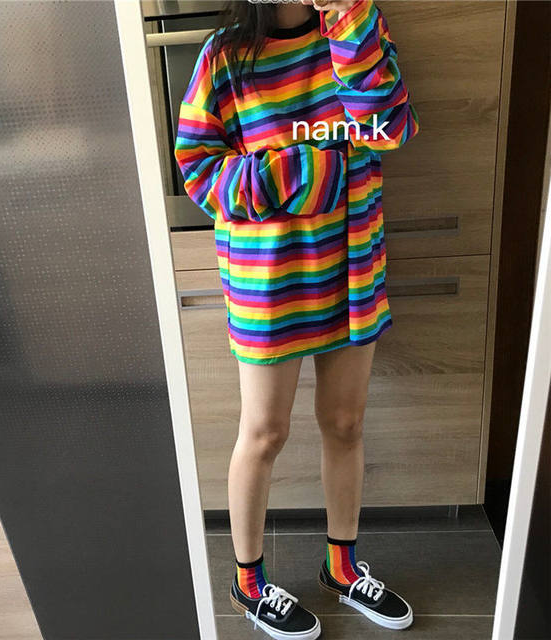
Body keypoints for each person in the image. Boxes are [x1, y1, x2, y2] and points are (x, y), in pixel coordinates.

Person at [175, 0, 419, 637]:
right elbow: (198, 170)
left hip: (352, 265)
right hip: (270, 277)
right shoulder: (225, 56)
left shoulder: (357, 28)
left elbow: (392, 125)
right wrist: (309, 173)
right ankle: (248, 582)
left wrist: (348, 17)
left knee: (345, 422)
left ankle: (342, 568)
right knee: (264, 432)